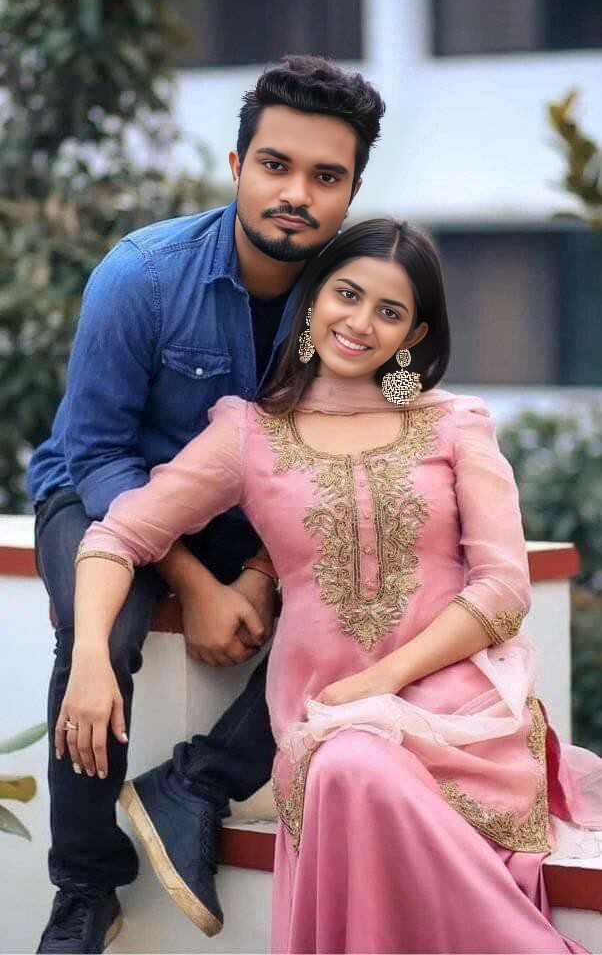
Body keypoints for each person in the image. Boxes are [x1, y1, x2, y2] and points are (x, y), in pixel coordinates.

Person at [66, 218, 602, 953]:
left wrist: (382, 681)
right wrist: (91, 657)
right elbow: (116, 536)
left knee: (357, 765)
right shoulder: (250, 435)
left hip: (461, 722)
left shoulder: (454, 426)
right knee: (351, 764)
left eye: (390, 311)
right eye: (347, 295)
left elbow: (504, 588)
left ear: (414, 334)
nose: (360, 322)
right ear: (314, 297)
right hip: (327, 723)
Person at [28, 55, 386, 953]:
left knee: (372, 591)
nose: (295, 194)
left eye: (326, 176)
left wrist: (262, 574)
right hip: (102, 490)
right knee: (103, 633)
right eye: (275, 165)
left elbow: (352, 459)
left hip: (252, 519)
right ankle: (84, 889)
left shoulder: (354, 303)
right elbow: (96, 452)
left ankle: (198, 782)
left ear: (351, 191)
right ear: (236, 166)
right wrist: (194, 583)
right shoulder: (141, 276)